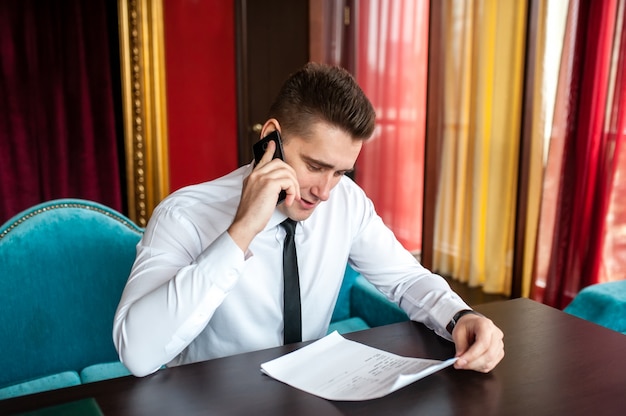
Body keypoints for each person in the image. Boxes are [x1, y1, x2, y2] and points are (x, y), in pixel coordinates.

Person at [113, 62, 504, 378]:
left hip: (312, 394)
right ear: (271, 139)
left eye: (340, 172)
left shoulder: (346, 203)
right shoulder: (184, 214)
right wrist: (242, 230)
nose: (325, 191)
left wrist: (460, 316)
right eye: (315, 166)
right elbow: (138, 354)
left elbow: (406, 278)